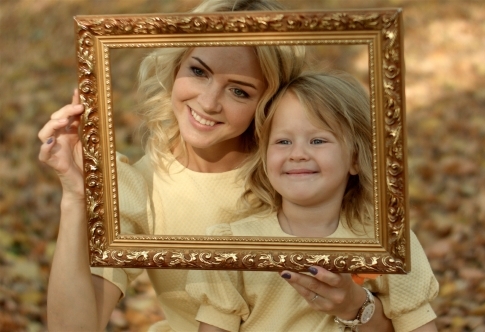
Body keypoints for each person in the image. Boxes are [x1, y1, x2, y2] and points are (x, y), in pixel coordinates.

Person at [37, 1, 307, 331]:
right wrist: (75, 198)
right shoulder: (136, 188)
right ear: (176, 66)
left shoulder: (300, 168)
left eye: (239, 90)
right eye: (199, 72)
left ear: (270, 101)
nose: (209, 102)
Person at [185, 72, 439, 332]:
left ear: (354, 158)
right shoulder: (231, 245)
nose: (297, 154)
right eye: (283, 141)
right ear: (264, 156)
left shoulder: (389, 242)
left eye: (317, 140)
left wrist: (356, 304)